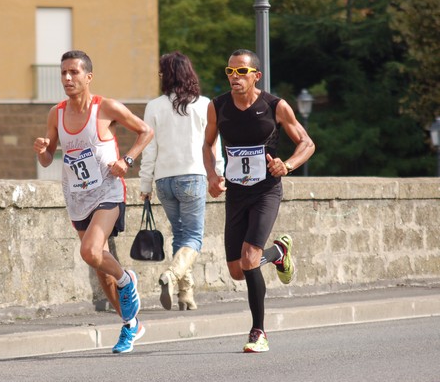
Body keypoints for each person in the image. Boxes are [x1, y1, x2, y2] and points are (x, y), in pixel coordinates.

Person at [33, 50, 154, 354]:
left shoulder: (106, 108)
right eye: (63, 73)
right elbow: (48, 160)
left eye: (74, 72)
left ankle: (128, 280)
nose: (67, 78)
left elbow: (146, 131)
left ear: (88, 77)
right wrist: (43, 149)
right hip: (76, 197)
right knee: (101, 269)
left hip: (107, 192)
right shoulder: (56, 114)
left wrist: (127, 159)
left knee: (90, 251)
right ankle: (131, 325)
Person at [202, 49, 315, 353]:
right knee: (237, 270)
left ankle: (258, 332)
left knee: (250, 258)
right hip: (237, 193)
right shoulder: (218, 107)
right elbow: (208, 144)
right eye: (230, 72)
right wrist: (212, 174)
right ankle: (278, 252)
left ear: (256, 76)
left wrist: (287, 165)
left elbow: (307, 143)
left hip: (266, 190)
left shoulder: (275, 106)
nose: (234, 78)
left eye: (241, 72)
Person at [139, 51, 222, 311]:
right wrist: (218, 175)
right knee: (194, 237)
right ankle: (172, 276)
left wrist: (145, 185)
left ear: (167, 76)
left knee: (181, 235)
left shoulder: (154, 106)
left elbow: (148, 149)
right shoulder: (204, 104)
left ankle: (186, 294)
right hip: (193, 176)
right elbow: (213, 145)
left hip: (164, 180)